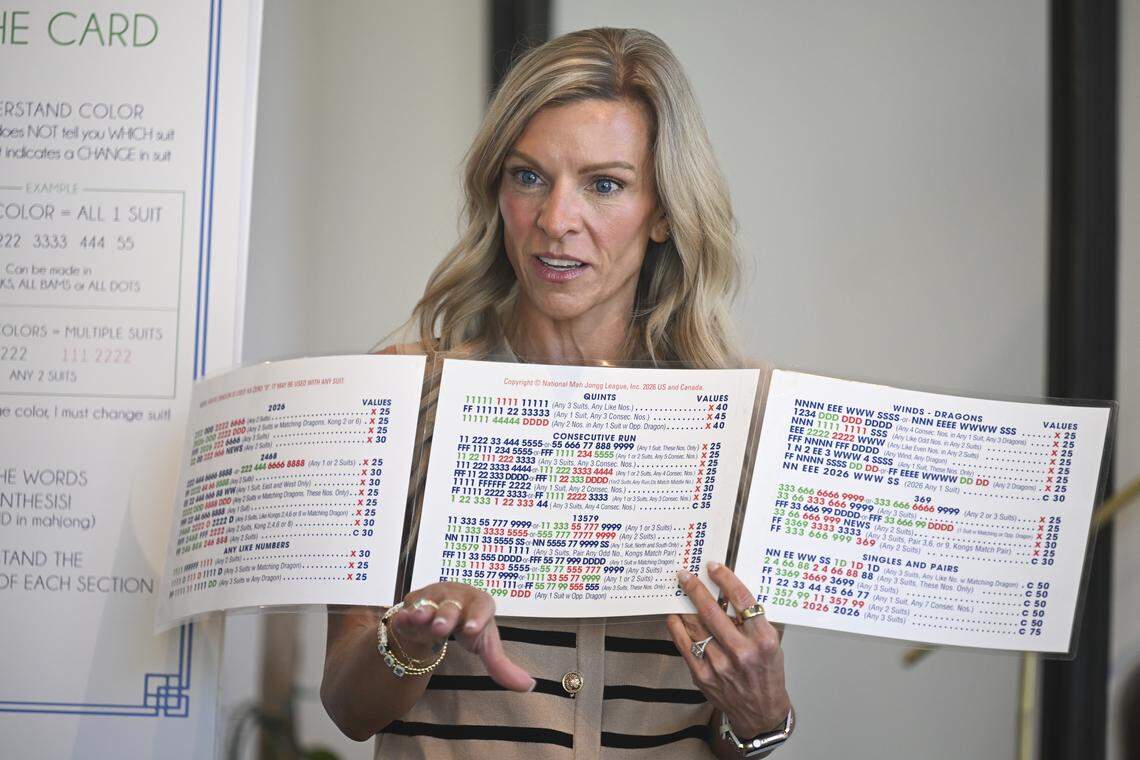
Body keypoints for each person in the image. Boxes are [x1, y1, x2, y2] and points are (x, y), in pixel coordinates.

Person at [321, 27, 793, 759]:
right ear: (496, 188)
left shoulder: (747, 429)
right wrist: (408, 642)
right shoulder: (397, 398)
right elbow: (349, 707)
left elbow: (728, 735)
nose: (554, 220)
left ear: (664, 211)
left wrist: (762, 717)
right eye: (528, 176)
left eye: (604, 185)